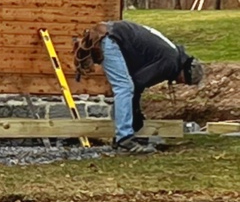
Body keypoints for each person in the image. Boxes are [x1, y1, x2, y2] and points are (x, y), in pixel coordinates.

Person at [74, 20, 205, 154]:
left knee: (125, 87)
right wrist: (135, 114)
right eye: (184, 81)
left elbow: (138, 77)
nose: (179, 83)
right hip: (111, 39)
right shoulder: (170, 63)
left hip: (111, 35)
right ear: (185, 72)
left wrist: (134, 112)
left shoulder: (172, 53)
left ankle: (122, 135)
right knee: (124, 87)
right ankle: (124, 139)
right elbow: (138, 82)